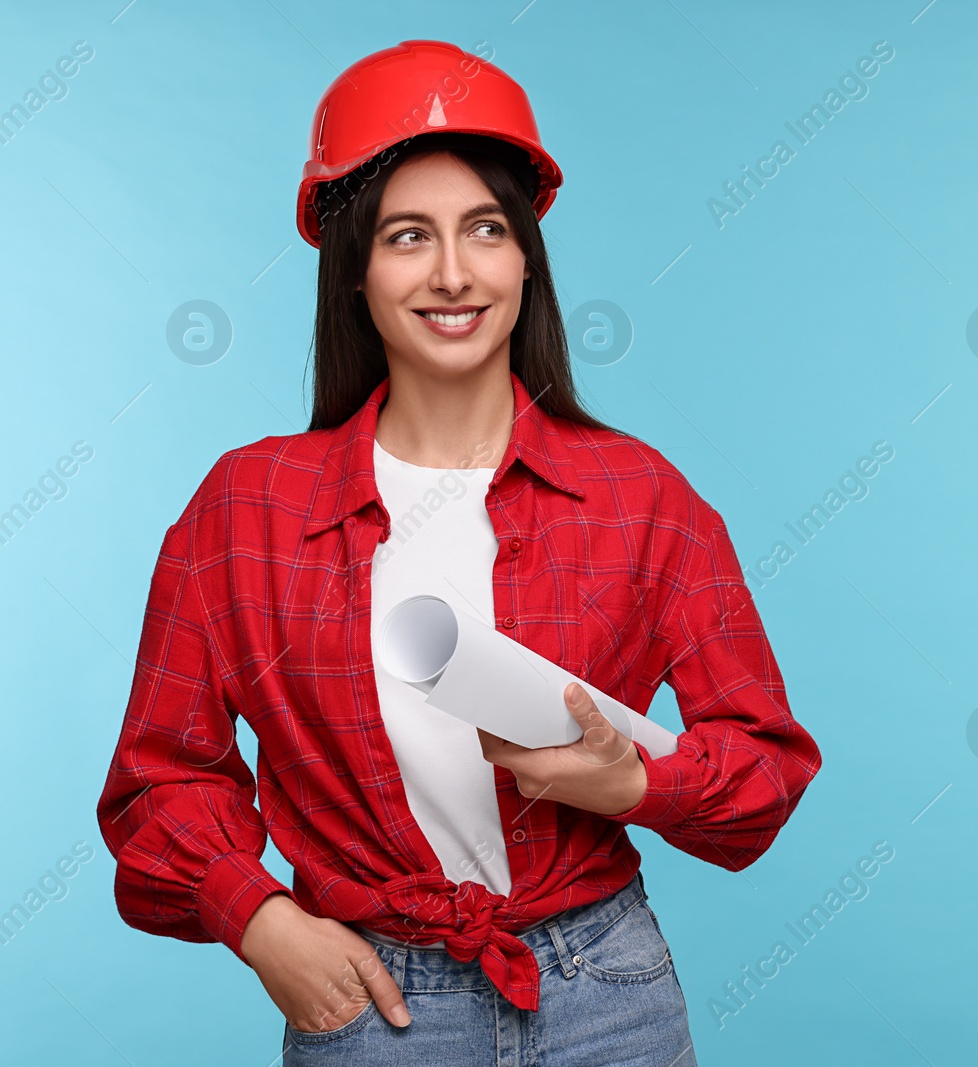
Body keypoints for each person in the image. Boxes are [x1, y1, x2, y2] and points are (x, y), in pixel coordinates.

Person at [94, 40, 822, 1066]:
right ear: (355, 271)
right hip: (372, 1001)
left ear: (525, 256)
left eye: (484, 228)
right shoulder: (243, 510)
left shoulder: (639, 495)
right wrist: (260, 921)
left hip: (606, 990)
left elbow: (763, 768)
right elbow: (158, 780)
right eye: (406, 235)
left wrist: (628, 787)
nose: (451, 272)